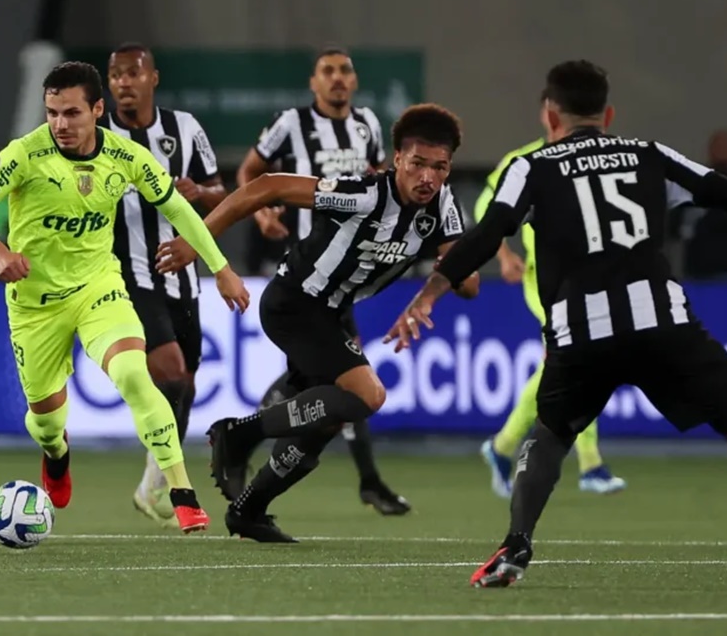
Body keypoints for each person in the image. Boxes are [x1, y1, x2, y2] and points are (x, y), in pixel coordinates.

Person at [386, 60, 727, 591]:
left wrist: (430, 293)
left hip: (579, 333)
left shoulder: (534, 166)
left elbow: (490, 231)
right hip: (662, 324)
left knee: (549, 437)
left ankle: (514, 547)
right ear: (608, 114)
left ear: (550, 115)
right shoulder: (648, 154)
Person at [157, 103, 478, 541]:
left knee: (325, 423)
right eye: (418, 164)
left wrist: (427, 296)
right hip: (293, 303)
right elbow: (266, 186)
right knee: (368, 394)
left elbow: (469, 279)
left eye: (439, 167)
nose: (427, 178)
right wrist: (198, 242)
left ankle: (249, 511)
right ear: (397, 159)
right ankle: (239, 434)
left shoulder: (443, 206)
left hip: (331, 314)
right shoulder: (363, 193)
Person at [0, 61, 250, 535]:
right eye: (51, 113)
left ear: (97, 110)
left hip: (99, 288)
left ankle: (181, 494)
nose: (59, 124)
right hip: (36, 304)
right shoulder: (23, 154)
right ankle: (56, 455)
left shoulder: (125, 155)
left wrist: (223, 269)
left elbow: (177, 207)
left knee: (135, 375)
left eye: (71, 113)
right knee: (46, 423)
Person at [235, 46, 410, 516]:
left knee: (319, 377)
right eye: (327, 71)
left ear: (354, 81)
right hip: (308, 271)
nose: (337, 78)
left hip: (348, 272)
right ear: (314, 83)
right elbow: (252, 172)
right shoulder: (290, 123)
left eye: (345, 70)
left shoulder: (369, 124)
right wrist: (265, 213)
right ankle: (368, 481)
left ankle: (246, 435)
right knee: (348, 378)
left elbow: (380, 181)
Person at [100, 43, 229, 526]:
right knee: (171, 373)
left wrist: (200, 192)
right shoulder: (98, 135)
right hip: (125, 273)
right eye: (115, 75)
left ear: (153, 78)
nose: (123, 83)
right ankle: (178, 491)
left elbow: (221, 190)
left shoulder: (185, 129)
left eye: (132, 73)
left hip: (183, 276)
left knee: (187, 385)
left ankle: (150, 486)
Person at [476, 131, 627, 498]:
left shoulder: (598, 159)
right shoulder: (524, 159)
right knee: (580, 358)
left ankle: (503, 446)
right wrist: (504, 254)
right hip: (545, 280)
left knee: (570, 362)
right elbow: (486, 206)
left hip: (587, 278)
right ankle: (590, 463)